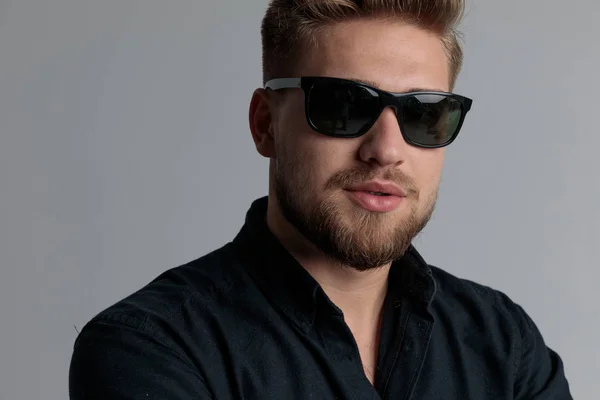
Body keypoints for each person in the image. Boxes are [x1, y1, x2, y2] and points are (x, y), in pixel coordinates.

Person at [69, 1, 573, 399]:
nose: (386, 151)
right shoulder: (152, 348)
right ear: (265, 124)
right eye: (344, 106)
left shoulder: (505, 344)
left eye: (423, 114)